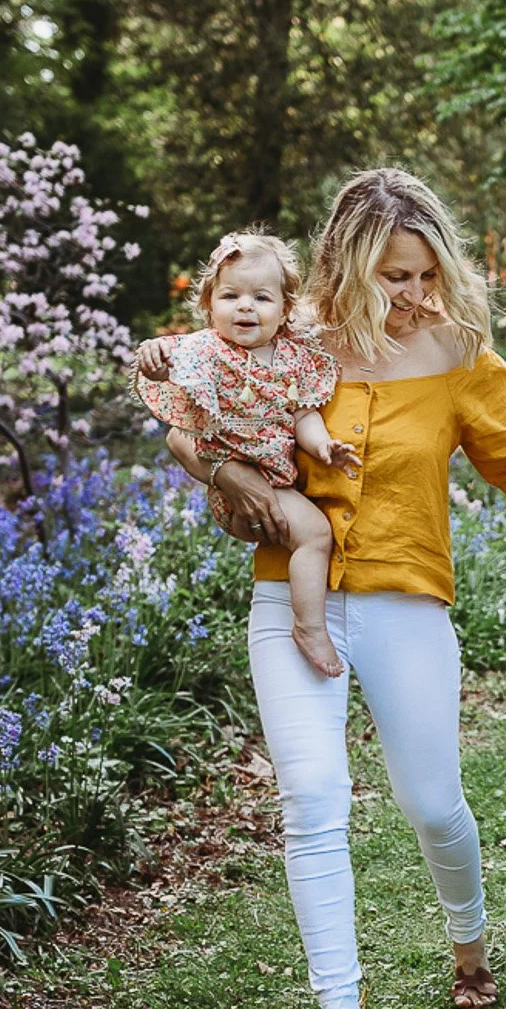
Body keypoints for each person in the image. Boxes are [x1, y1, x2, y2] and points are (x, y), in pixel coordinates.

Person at [175, 169, 506, 1009]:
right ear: (346, 267)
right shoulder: (281, 337)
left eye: (426, 274)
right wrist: (223, 479)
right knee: (311, 801)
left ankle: (471, 949)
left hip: (405, 595)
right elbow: (194, 417)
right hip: (290, 594)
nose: (415, 294)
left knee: (433, 802)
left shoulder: (455, 351)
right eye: (394, 276)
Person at [134, 230, 357, 678]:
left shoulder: (296, 359)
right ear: (209, 305)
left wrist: (323, 447)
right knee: (316, 534)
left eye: (261, 297)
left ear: (285, 309)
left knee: (311, 532)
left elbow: (303, 416)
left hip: (276, 481)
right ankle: (309, 626)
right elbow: (165, 373)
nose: (245, 306)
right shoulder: (205, 353)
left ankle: (309, 616)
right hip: (234, 488)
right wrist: (154, 358)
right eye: (230, 295)